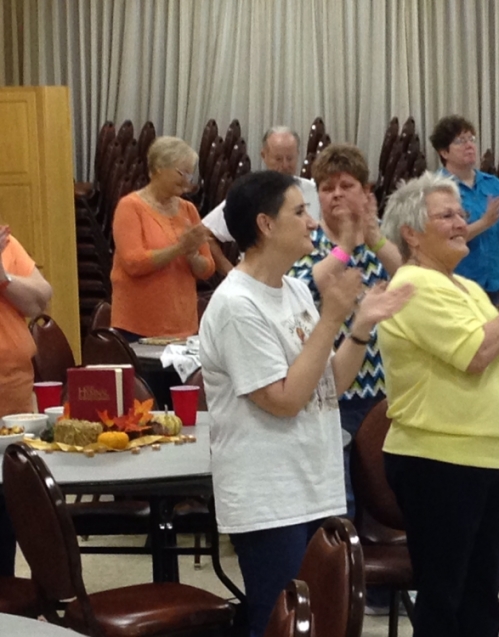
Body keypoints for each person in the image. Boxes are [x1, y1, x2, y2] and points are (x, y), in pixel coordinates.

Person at [199, 171, 412, 637]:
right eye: (299, 212)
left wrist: (360, 325)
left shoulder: (293, 289)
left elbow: (330, 382)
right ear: (265, 224)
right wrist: (332, 318)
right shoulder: (236, 304)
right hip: (270, 498)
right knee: (281, 623)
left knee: (319, 623)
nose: (313, 222)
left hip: (314, 486)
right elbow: (285, 400)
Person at [378, 171, 499, 636]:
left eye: (461, 213)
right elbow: (476, 355)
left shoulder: (466, 286)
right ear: (412, 234)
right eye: (447, 216)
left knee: (480, 599)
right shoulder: (413, 286)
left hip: (482, 456)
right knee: (445, 600)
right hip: (437, 458)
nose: (462, 222)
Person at [289, 143, 403, 517]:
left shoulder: (379, 243)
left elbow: (410, 281)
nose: (336, 194)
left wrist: (374, 238)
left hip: (381, 388)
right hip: (331, 389)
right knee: (341, 499)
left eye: (346, 185)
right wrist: (344, 246)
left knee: (384, 495)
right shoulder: (307, 239)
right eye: (327, 188)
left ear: (366, 192)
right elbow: (305, 287)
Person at [110, 136, 214, 340]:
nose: (187, 181)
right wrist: (179, 249)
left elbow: (207, 269)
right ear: (159, 168)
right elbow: (133, 263)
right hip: (138, 327)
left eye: (190, 174)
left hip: (183, 326)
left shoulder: (188, 209)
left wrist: (193, 256)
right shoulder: (130, 207)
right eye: (182, 173)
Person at [429, 115, 499, 306]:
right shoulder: (437, 188)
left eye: (471, 139)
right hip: (459, 286)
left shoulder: (493, 183)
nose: (469, 145)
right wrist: (485, 222)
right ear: (444, 152)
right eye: (460, 141)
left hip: (498, 284)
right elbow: (439, 241)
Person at [0, 223, 52, 577]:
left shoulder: (5, 243)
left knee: (7, 510)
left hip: (13, 391)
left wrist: (3, 277)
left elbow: (40, 299)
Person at [203, 126, 321, 275]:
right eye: (278, 159)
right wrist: (232, 273)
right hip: (259, 279)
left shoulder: (314, 191)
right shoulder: (250, 193)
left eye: (290, 158)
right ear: (264, 155)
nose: (285, 165)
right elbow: (204, 233)